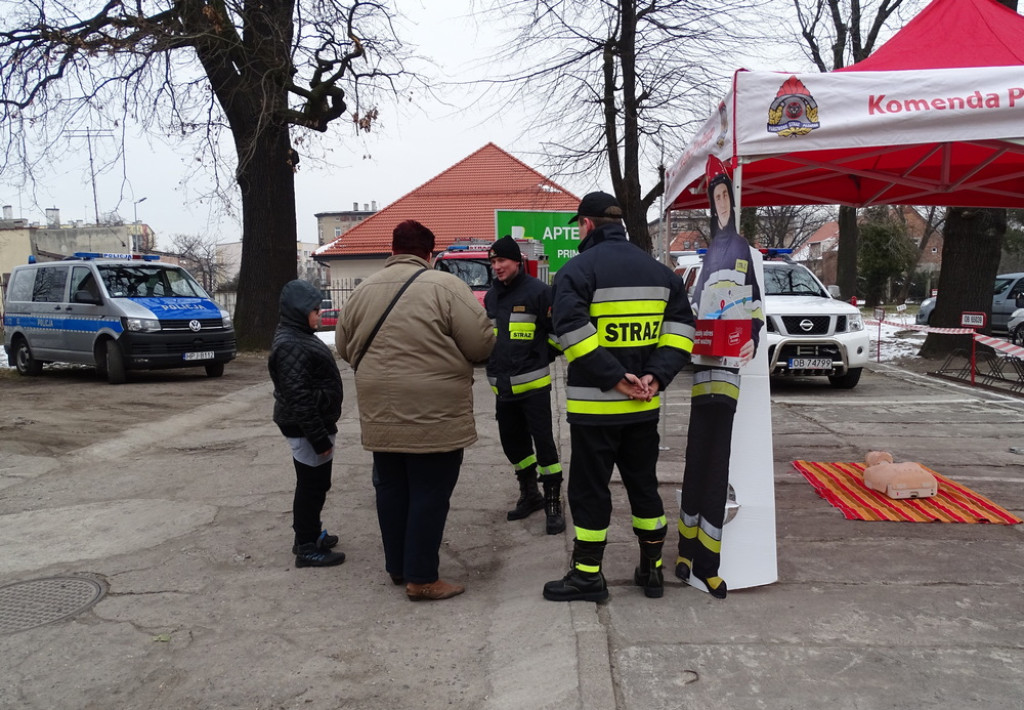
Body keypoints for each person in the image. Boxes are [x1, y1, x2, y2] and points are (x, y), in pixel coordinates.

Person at [543, 192, 695, 602]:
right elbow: (681, 333)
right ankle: (652, 570)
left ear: (586, 225)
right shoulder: (662, 273)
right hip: (644, 407)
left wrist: (615, 378)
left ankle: (588, 576)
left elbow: (570, 330)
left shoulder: (577, 271)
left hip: (595, 409)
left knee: (591, 490)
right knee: (643, 485)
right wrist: (655, 377)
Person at [335, 220, 495, 602]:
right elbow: (480, 346)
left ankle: (399, 566)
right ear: (429, 252)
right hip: (434, 410)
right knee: (429, 491)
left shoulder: (363, 291)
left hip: (380, 407)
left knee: (391, 488)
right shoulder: (446, 286)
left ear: (393, 249)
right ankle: (422, 578)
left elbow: (342, 345)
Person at [675, 156, 764, 599]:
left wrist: (753, 337)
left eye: (727, 195)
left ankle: (709, 563)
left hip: (727, 374)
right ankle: (685, 552)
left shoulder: (743, 249)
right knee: (694, 462)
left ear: (734, 201)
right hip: (701, 371)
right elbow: (696, 307)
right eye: (716, 197)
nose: (722, 203)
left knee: (715, 468)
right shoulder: (708, 254)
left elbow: (754, 305)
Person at [484, 235, 565, 535]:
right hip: (503, 390)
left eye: (501, 261)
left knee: (545, 447)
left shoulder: (540, 293)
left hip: (533, 387)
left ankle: (553, 503)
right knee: (513, 445)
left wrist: (541, 354)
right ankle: (530, 494)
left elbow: (557, 332)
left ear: (517, 261)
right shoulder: (492, 296)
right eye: (493, 262)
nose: (497, 267)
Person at [268, 279, 346, 568]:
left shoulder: (298, 335)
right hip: (305, 427)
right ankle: (306, 546)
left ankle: (311, 533)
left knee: (316, 483)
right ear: (299, 311)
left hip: (312, 424)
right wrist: (320, 439)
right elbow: (299, 398)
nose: (320, 315)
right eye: (315, 310)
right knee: (311, 486)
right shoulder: (290, 343)